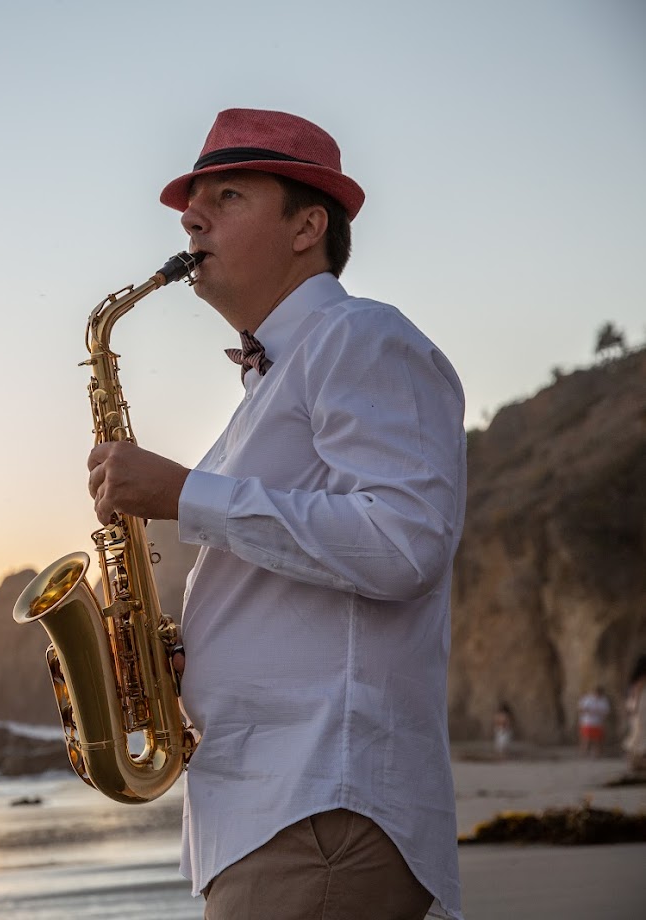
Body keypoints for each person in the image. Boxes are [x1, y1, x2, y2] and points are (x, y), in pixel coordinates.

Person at [87, 108, 465, 920]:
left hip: (320, 804)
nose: (191, 216)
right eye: (194, 202)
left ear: (307, 227)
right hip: (276, 810)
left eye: (226, 196)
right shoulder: (273, 381)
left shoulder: (358, 337)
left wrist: (185, 494)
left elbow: (403, 546)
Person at [624, 657, 646, 772]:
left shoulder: (635, 678)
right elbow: (637, 692)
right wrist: (636, 707)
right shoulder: (643, 677)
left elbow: (633, 692)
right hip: (642, 706)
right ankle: (636, 762)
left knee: (637, 732)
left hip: (637, 705)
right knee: (640, 733)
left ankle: (635, 762)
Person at [578, 685, 611, 757]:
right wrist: (590, 711)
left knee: (597, 740)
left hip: (598, 723)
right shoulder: (587, 699)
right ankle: (583, 753)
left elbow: (606, 712)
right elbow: (581, 709)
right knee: (586, 739)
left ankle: (597, 754)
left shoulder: (603, 700)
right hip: (587, 722)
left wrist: (598, 712)